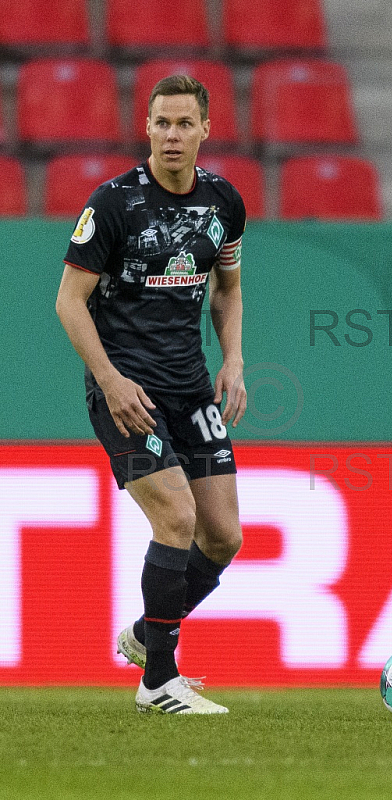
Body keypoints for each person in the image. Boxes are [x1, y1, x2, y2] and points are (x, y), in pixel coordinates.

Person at [56, 75, 247, 715]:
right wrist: (110, 381)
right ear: (147, 128)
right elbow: (68, 302)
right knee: (176, 519)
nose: (172, 135)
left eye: (184, 124)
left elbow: (227, 287)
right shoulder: (112, 205)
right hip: (129, 391)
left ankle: (146, 636)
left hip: (191, 386)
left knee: (222, 537)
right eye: (162, 123)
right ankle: (158, 682)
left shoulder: (224, 202)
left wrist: (235, 360)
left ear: (205, 130)